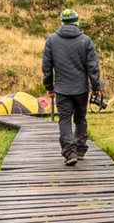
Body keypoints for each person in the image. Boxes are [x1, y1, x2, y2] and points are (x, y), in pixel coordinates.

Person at [41, 9, 102, 165]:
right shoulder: (85, 40)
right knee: (80, 119)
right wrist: (96, 88)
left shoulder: (51, 40)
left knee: (65, 120)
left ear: (62, 22)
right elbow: (92, 67)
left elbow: (47, 67)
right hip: (81, 89)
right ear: (77, 21)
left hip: (61, 88)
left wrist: (49, 86)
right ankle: (80, 149)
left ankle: (70, 153)